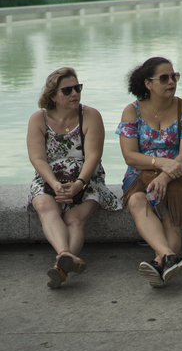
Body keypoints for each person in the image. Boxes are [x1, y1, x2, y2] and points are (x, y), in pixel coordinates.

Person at [26, 68, 122, 289]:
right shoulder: (38, 119)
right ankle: (65, 256)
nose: (74, 94)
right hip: (50, 178)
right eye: (67, 90)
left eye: (77, 88)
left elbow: (94, 156)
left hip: (86, 178)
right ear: (52, 96)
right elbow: (38, 158)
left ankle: (61, 266)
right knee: (46, 208)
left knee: (74, 220)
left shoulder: (90, 115)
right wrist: (55, 184)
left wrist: (79, 184)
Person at [116, 57, 182, 287]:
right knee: (137, 201)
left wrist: (166, 175)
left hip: (179, 174)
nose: (171, 82)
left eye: (174, 76)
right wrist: (160, 163)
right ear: (148, 84)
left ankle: (159, 262)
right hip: (139, 174)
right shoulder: (132, 111)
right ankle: (168, 257)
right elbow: (130, 156)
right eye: (164, 78)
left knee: (169, 215)